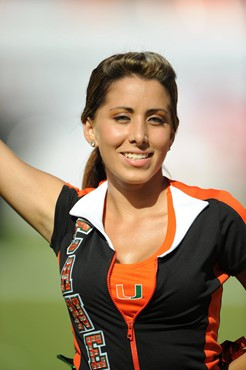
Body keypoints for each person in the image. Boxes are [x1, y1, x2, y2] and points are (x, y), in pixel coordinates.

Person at [0, 52, 245, 370]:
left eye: (155, 119)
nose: (139, 136)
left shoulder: (212, 216)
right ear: (90, 128)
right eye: (122, 117)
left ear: (172, 132)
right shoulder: (72, 214)